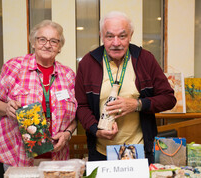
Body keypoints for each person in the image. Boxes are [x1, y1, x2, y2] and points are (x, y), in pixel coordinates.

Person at [75, 11, 176, 164]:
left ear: (130, 35)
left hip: (139, 150)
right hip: (101, 152)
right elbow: (81, 106)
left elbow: (168, 98)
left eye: (122, 36)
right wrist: (96, 129)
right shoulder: (88, 63)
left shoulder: (145, 59)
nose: (116, 43)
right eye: (110, 36)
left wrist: (138, 104)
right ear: (102, 36)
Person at [0, 20, 77, 168]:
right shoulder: (14, 66)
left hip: (56, 157)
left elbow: (75, 116)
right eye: (42, 39)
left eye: (54, 41)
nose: (47, 45)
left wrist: (68, 133)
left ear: (59, 47)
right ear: (33, 43)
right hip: (18, 157)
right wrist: (7, 108)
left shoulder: (68, 75)